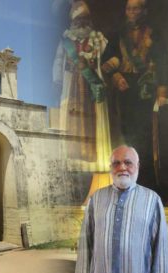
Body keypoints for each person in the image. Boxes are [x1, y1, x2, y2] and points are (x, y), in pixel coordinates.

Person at [101, 0, 168, 188]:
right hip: (125, 90)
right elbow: (106, 58)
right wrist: (115, 76)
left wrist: (162, 89)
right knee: (126, 135)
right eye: (129, 8)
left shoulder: (154, 33)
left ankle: (147, 183)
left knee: (146, 138)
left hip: (146, 89)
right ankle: (127, 182)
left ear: (144, 10)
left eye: (136, 8)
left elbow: (163, 62)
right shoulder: (118, 34)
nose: (132, 12)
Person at [75, 145, 168, 273]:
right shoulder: (96, 198)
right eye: (116, 163)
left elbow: (160, 250)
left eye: (128, 162)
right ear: (110, 168)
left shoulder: (152, 200)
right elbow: (85, 245)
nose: (122, 167)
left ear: (137, 166)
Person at [53, 0, 112, 171]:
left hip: (92, 83)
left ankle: (95, 158)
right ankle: (73, 161)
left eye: (84, 19)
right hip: (71, 83)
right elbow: (58, 60)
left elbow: (105, 58)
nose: (81, 23)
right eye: (77, 20)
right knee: (72, 119)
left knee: (93, 118)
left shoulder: (99, 39)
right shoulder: (66, 41)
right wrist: (56, 81)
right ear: (72, 22)